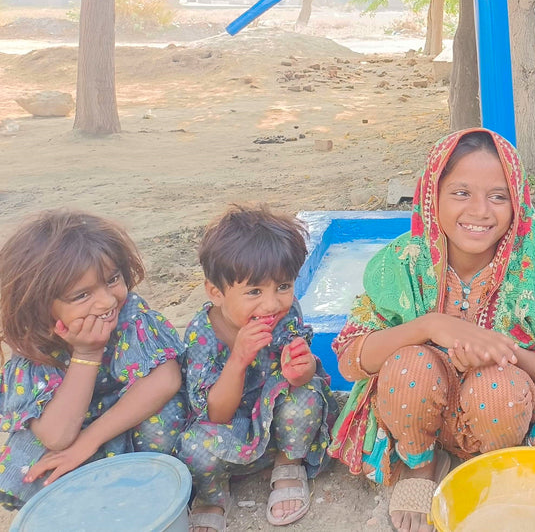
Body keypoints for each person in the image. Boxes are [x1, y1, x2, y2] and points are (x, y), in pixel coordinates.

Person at [329, 129, 535, 532]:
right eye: (461, 193)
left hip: (497, 416)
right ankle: (420, 467)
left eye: (498, 196)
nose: (480, 211)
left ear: (518, 202)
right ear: (432, 195)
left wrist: (507, 353)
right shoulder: (401, 262)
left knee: (499, 387)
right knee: (409, 365)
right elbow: (352, 359)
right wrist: (433, 325)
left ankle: (485, 470)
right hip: (414, 409)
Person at [0, 209, 186, 509]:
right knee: (31, 457)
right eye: (82, 295)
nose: (107, 301)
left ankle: (150, 493)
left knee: (166, 416)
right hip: (67, 426)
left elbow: (166, 379)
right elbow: (57, 437)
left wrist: (90, 440)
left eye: (112, 279)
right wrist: (87, 354)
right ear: (40, 308)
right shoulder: (34, 347)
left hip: (127, 416)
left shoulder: (130, 314)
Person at [175, 205, 337, 531]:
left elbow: (303, 375)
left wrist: (300, 371)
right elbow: (215, 414)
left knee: (307, 394)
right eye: (254, 292)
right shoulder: (202, 334)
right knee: (192, 446)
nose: (271, 304)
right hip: (229, 428)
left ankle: (288, 464)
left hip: (279, 427)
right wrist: (238, 359)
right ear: (216, 293)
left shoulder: (285, 316)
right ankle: (212, 496)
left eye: (283, 286)